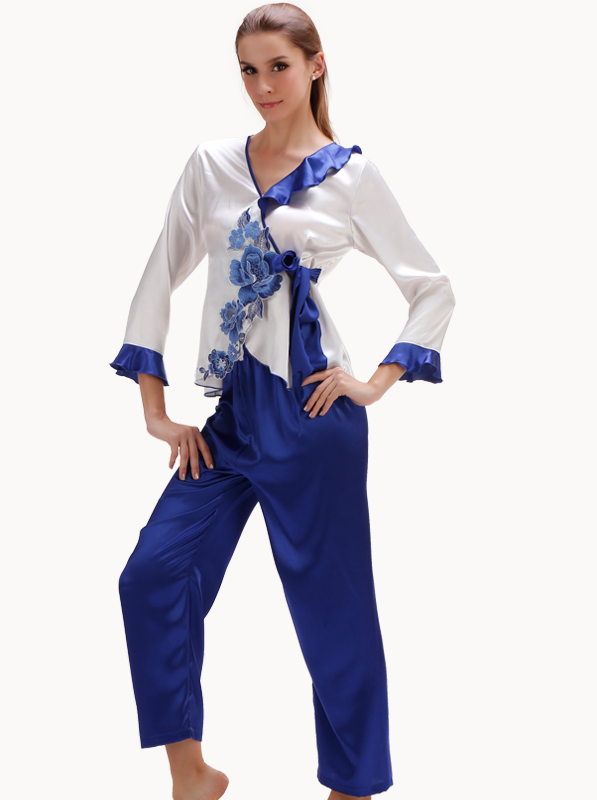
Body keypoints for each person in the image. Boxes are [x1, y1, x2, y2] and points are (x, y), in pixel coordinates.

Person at [109, 4, 456, 799]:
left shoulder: (351, 176)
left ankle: (350, 788)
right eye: (248, 69)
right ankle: (192, 775)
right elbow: (159, 276)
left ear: (315, 66)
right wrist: (155, 412)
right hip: (232, 418)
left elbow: (432, 289)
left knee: (334, 613)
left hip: (313, 418)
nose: (262, 85)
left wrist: (375, 381)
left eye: (278, 66)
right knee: (151, 576)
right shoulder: (211, 166)